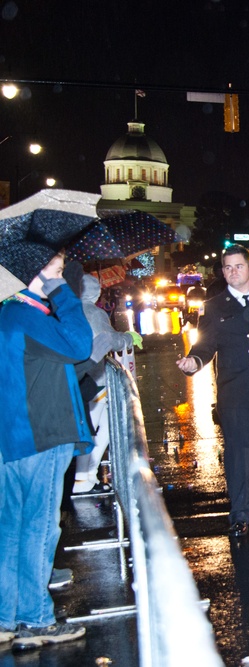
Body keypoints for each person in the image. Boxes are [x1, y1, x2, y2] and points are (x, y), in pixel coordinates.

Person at [0, 247, 92, 649]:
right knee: (39, 528)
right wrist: (61, 293)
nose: (63, 276)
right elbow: (80, 345)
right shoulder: (27, 317)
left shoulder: (7, 316)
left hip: (14, 439)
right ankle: (36, 619)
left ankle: (6, 617)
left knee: (11, 530)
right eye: (56, 269)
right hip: (42, 435)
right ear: (35, 274)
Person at [175, 244, 249, 537]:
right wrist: (195, 360)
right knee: (239, 452)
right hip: (235, 390)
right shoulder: (215, 306)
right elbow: (206, 344)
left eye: (238, 266)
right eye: (227, 267)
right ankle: (240, 513)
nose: (232, 272)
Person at [72, 274, 143, 494]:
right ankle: (82, 478)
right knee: (94, 429)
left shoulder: (66, 312)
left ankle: (86, 476)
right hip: (95, 379)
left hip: (79, 378)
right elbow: (109, 338)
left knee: (98, 427)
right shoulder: (93, 312)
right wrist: (129, 338)